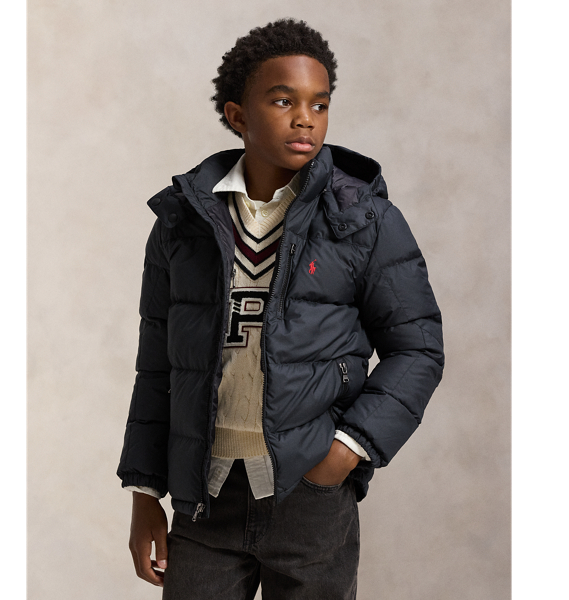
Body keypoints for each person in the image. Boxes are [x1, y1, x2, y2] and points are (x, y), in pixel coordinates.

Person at [117, 18, 444, 600]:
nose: (305, 119)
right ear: (237, 114)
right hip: (203, 497)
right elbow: (158, 366)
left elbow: (418, 349)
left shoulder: (364, 220)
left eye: (320, 104)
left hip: (309, 494)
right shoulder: (182, 223)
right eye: (283, 100)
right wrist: (145, 491)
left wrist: (344, 452)